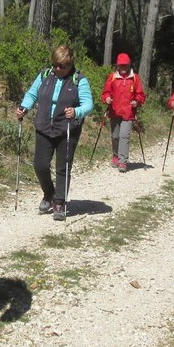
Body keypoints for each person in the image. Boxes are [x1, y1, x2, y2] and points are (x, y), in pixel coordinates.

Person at [15, 45, 94, 221]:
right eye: (56, 65)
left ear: (70, 63)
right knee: (40, 165)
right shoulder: (45, 76)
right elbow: (32, 94)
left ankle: (59, 201)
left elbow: (88, 104)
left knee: (63, 167)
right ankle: (49, 192)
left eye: (63, 66)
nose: (58, 69)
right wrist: (24, 107)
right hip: (44, 127)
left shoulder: (79, 80)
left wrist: (76, 112)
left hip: (67, 130)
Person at [101, 52, 146, 173]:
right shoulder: (112, 77)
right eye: (121, 65)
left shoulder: (135, 78)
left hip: (128, 113)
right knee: (115, 136)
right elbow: (105, 93)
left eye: (125, 65)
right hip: (114, 112)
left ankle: (122, 162)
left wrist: (137, 101)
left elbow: (141, 95)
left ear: (129, 65)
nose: (123, 68)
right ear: (117, 66)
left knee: (124, 136)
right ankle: (115, 155)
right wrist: (107, 99)